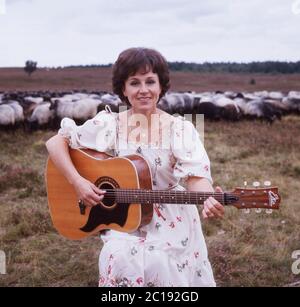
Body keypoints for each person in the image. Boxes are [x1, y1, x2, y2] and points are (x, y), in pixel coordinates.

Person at [46, 47, 225, 287]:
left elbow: (196, 177)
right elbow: (55, 142)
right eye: (134, 82)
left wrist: (208, 197)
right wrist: (77, 182)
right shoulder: (110, 124)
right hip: (127, 216)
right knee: (117, 256)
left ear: (161, 87)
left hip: (171, 219)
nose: (143, 90)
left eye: (150, 81)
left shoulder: (180, 129)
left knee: (160, 264)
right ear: (123, 88)